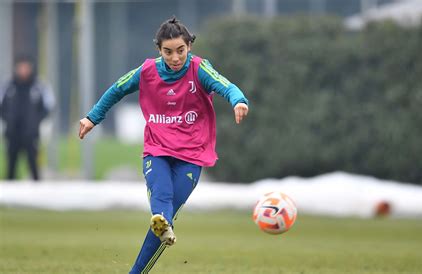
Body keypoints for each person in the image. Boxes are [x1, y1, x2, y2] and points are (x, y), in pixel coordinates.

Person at [78, 17, 249, 273]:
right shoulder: (147, 70)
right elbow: (117, 89)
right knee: (162, 204)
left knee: (165, 218)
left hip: (192, 154)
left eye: (180, 50)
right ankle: (155, 236)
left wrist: (238, 100)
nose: (175, 57)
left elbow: (225, 85)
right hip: (156, 149)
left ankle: (159, 232)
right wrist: (93, 117)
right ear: (159, 49)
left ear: (189, 46)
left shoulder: (200, 69)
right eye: (168, 52)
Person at [0, 56, 55, 181]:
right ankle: (9, 194)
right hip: (12, 132)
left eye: (26, 67)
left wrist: (37, 122)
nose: (23, 70)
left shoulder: (39, 85)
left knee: (33, 165)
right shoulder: (8, 86)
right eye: (21, 67)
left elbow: (49, 105)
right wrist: (7, 120)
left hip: (31, 134)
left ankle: (36, 193)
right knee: (11, 166)